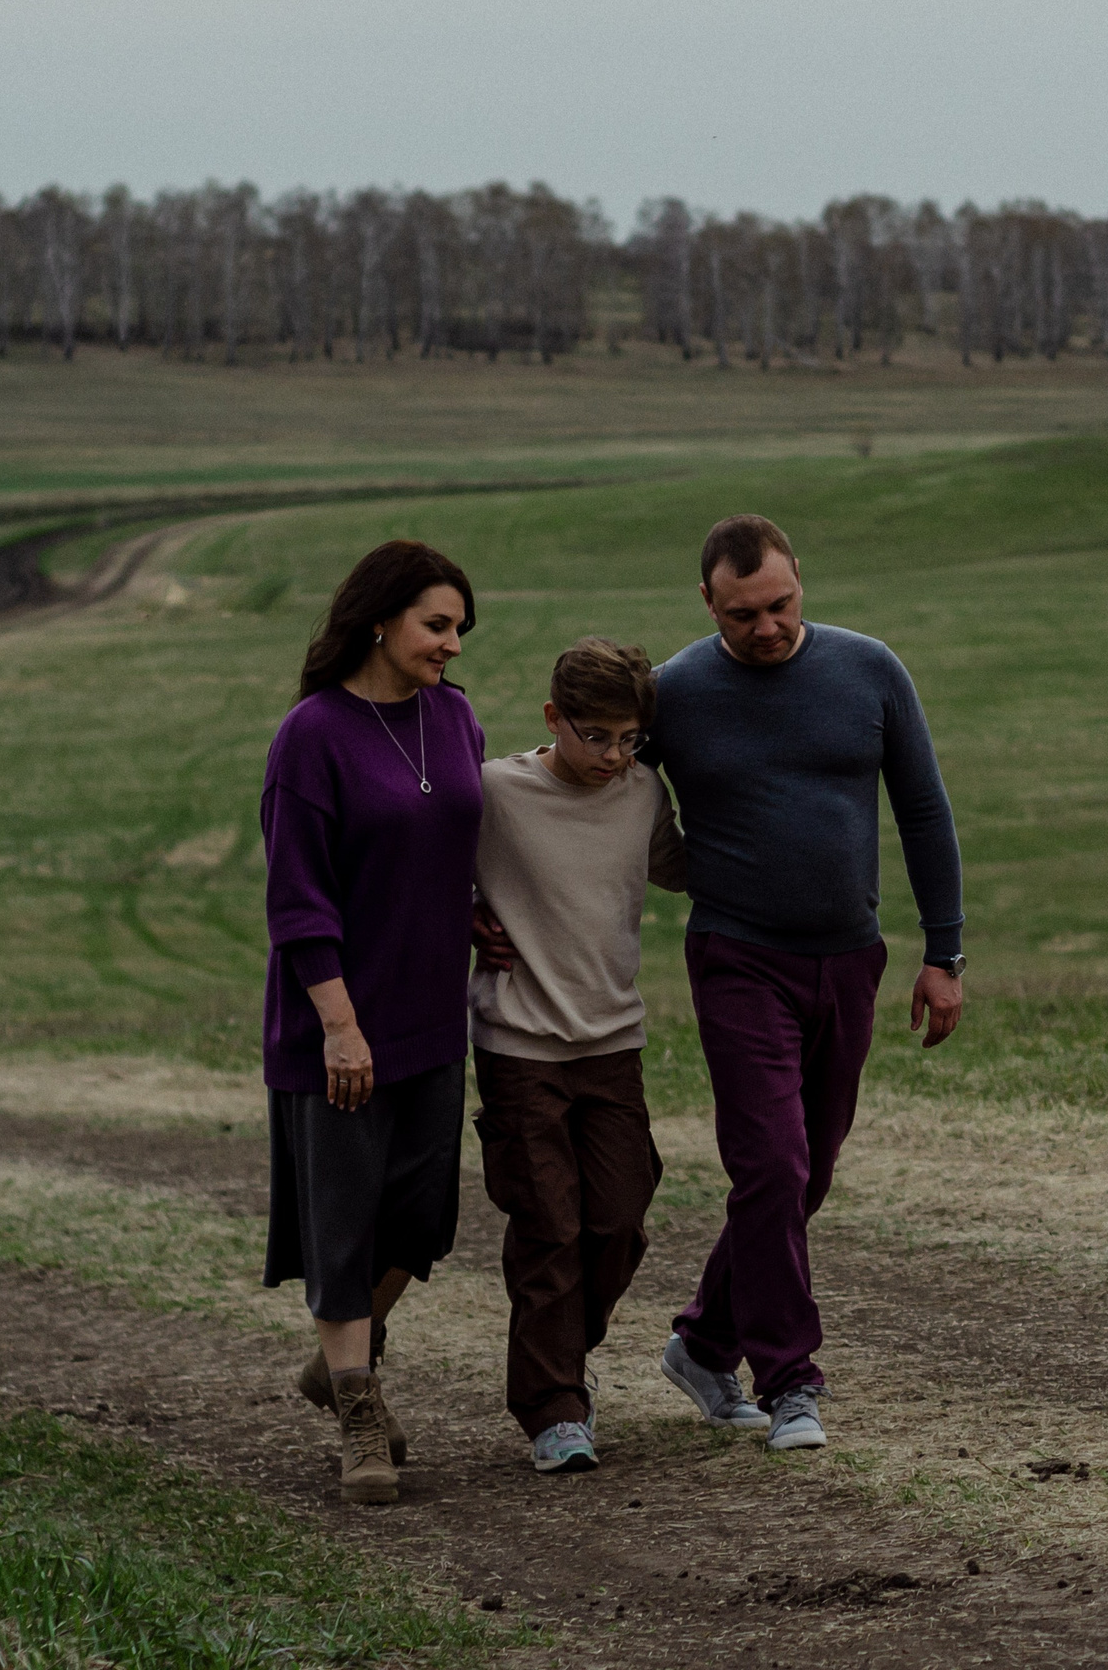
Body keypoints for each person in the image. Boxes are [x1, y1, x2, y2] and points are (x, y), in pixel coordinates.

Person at [643, 513, 964, 1452]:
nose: (767, 627)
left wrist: (943, 954)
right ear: (708, 603)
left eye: (780, 605)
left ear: (800, 583)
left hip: (849, 957)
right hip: (738, 957)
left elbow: (924, 809)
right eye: (743, 614)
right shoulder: (674, 692)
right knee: (772, 1166)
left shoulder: (869, 670)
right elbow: (591, 779)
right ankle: (790, 1381)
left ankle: (703, 1342)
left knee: (805, 1173)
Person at [262, 540, 485, 1505]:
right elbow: (298, 900)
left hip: (435, 1011)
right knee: (344, 1219)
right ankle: (358, 1406)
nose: (452, 647)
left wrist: (478, 913)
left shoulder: (456, 718)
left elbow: (454, 843)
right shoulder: (311, 735)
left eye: (461, 631)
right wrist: (339, 1028)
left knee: (422, 1219)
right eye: (438, 626)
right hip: (340, 1024)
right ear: (382, 620)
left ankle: (336, 1361)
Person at [467, 638, 685, 1474]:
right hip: (518, 1043)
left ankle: (552, 1352)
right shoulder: (495, 791)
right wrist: (463, 914)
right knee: (549, 1225)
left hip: (612, 1040)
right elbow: (422, 863)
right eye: (595, 736)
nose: (614, 756)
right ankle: (555, 1407)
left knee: (619, 1218)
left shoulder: (639, 794)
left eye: (630, 739)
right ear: (554, 718)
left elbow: (682, 867)